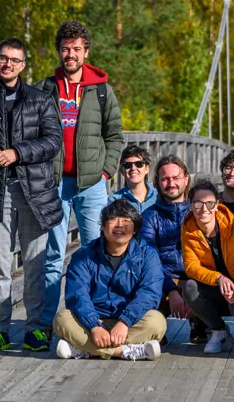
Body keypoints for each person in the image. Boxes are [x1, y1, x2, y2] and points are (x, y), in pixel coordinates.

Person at [0, 38, 65, 354]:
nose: (8, 64)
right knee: (0, 266)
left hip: (34, 193)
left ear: (23, 65)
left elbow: (53, 141)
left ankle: (36, 330)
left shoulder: (40, 100)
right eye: (3, 58)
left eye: (15, 60)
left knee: (34, 265)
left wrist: (16, 153)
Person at [39, 21, 124, 333]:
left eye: (76, 49)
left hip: (91, 184)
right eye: (65, 48)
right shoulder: (45, 89)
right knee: (52, 257)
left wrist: (105, 171)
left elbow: (115, 136)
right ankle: (49, 323)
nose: (70, 54)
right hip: (53, 183)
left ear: (86, 52)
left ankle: (95, 319)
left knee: (98, 253)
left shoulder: (102, 91)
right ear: (59, 51)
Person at [53, 199, 167, 361]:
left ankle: (86, 350)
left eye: (126, 221)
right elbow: (77, 294)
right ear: (103, 226)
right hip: (92, 320)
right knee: (62, 319)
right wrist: (94, 326)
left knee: (157, 322)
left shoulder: (147, 254)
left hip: (130, 322)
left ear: (135, 229)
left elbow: (149, 293)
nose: (120, 225)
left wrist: (124, 322)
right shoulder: (84, 255)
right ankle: (125, 351)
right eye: (113, 220)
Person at [181, 179, 234, 354]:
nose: (204, 209)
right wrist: (219, 278)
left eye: (209, 203)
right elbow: (191, 267)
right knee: (189, 287)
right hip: (215, 289)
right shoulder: (188, 229)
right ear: (190, 204)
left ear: (217, 205)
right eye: (198, 203)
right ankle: (220, 331)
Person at [140, 155, 203, 341]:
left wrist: (193, 292)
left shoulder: (200, 211)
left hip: (196, 277)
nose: (171, 183)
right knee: (145, 286)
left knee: (206, 284)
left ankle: (201, 323)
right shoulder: (149, 216)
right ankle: (156, 328)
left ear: (186, 179)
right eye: (165, 178)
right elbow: (149, 259)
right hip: (164, 280)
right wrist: (172, 290)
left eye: (176, 178)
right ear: (157, 182)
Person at [108, 145, 157, 215]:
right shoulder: (114, 200)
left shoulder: (159, 197)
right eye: (128, 165)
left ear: (147, 169)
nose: (133, 168)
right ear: (122, 170)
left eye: (139, 164)